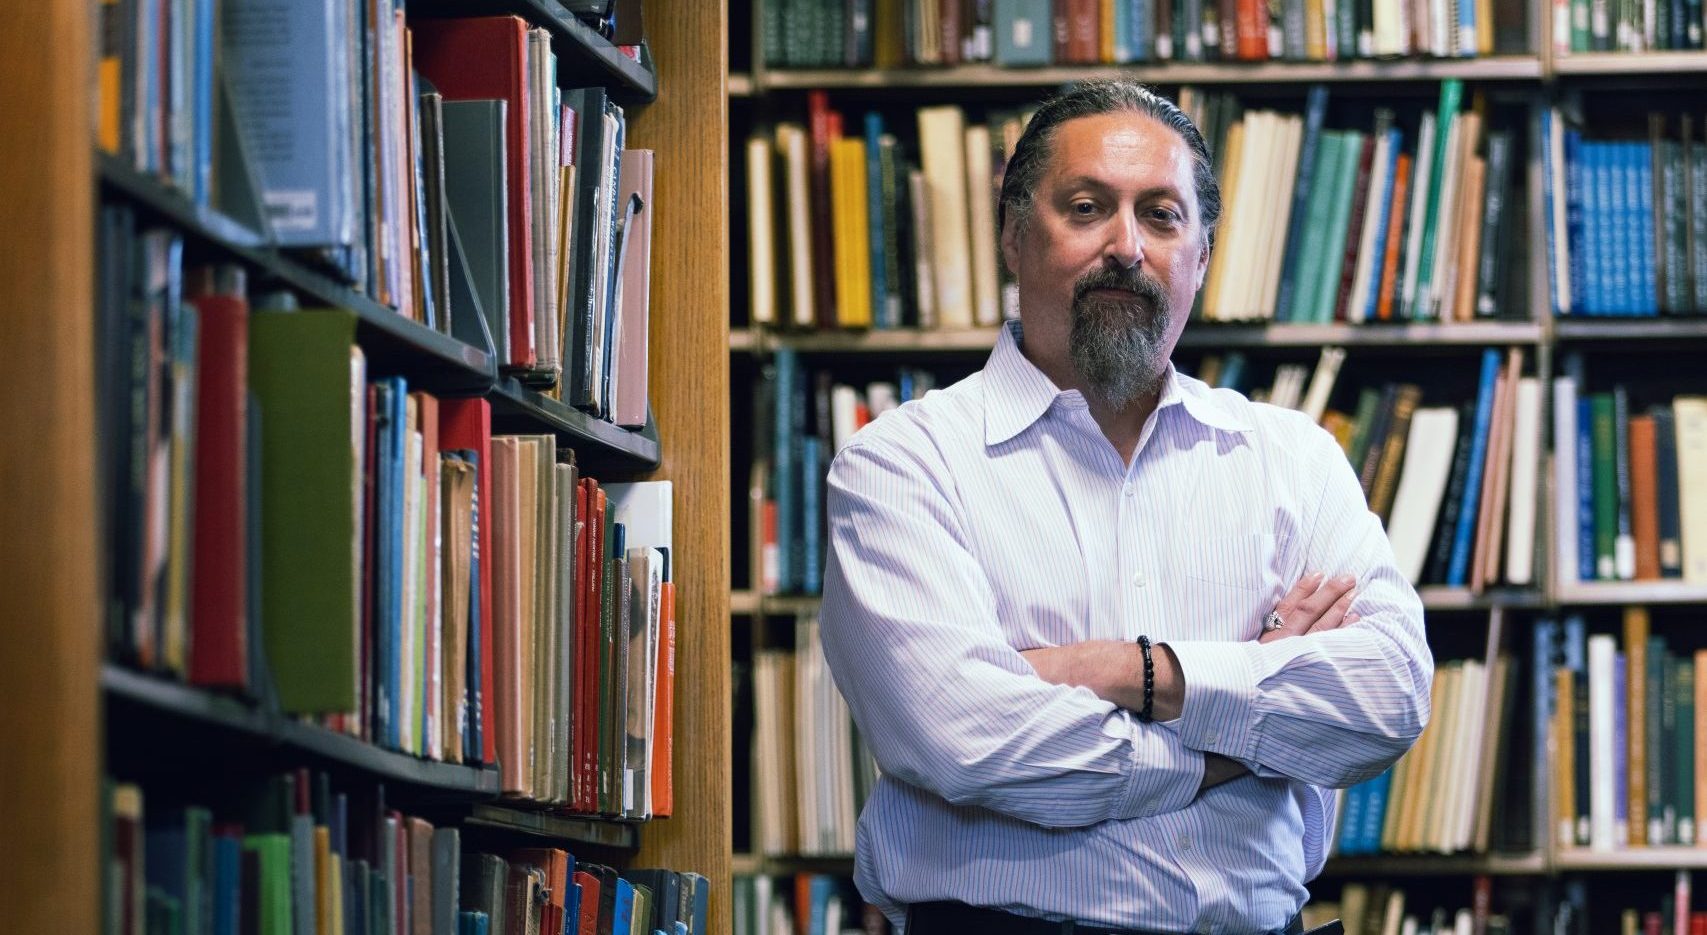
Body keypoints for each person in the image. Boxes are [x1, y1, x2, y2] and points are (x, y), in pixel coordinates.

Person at [817, 80, 1433, 935]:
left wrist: (1124, 670)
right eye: (1085, 207)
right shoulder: (901, 466)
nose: (1126, 247)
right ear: (1011, 235)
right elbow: (968, 739)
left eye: (1161, 215)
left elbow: (1388, 694)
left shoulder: (1292, 460)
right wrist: (1244, 734)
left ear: (1203, 255)